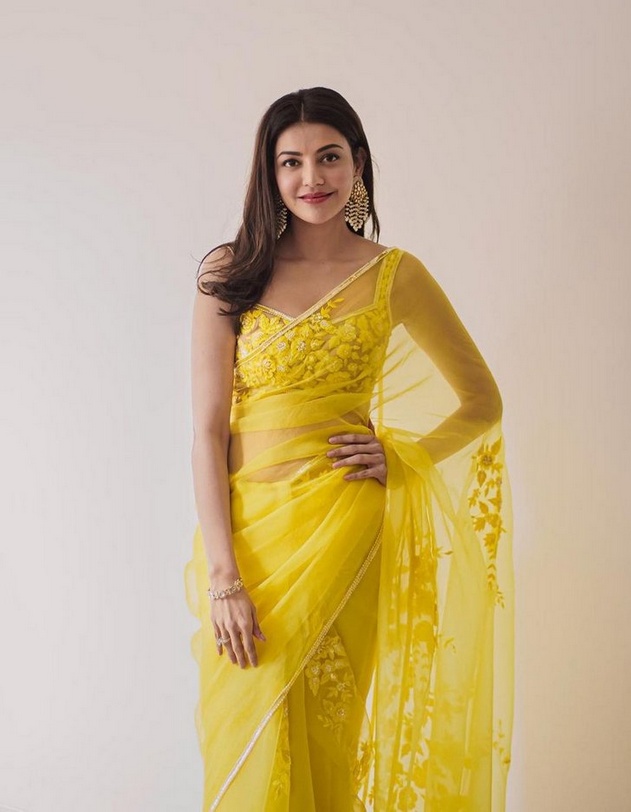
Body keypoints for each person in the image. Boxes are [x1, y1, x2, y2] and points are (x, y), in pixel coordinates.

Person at [185, 86, 514, 811]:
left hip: (348, 531)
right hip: (251, 546)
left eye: (329, 157)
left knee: (331, 735)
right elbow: (207, 431)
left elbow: (481, 400)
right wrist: (224, 578)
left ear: (358, 163)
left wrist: (402, 457)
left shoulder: (395, 275)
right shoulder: (230, 273)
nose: (312, 178)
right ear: (269, 173)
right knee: (242, 738)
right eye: (291, 161)